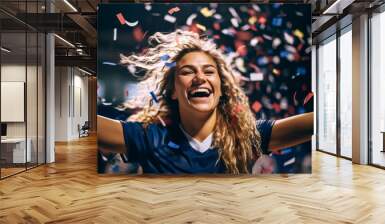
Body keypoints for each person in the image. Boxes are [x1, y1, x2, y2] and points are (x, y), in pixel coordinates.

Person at [98, 30, 313, 174]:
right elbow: (93, 126)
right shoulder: (150, 136)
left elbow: (316, 122)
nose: (200, 78)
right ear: (173, 91)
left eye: (209, 71)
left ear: (222, 89)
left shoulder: (247, 137)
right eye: (187, 71)